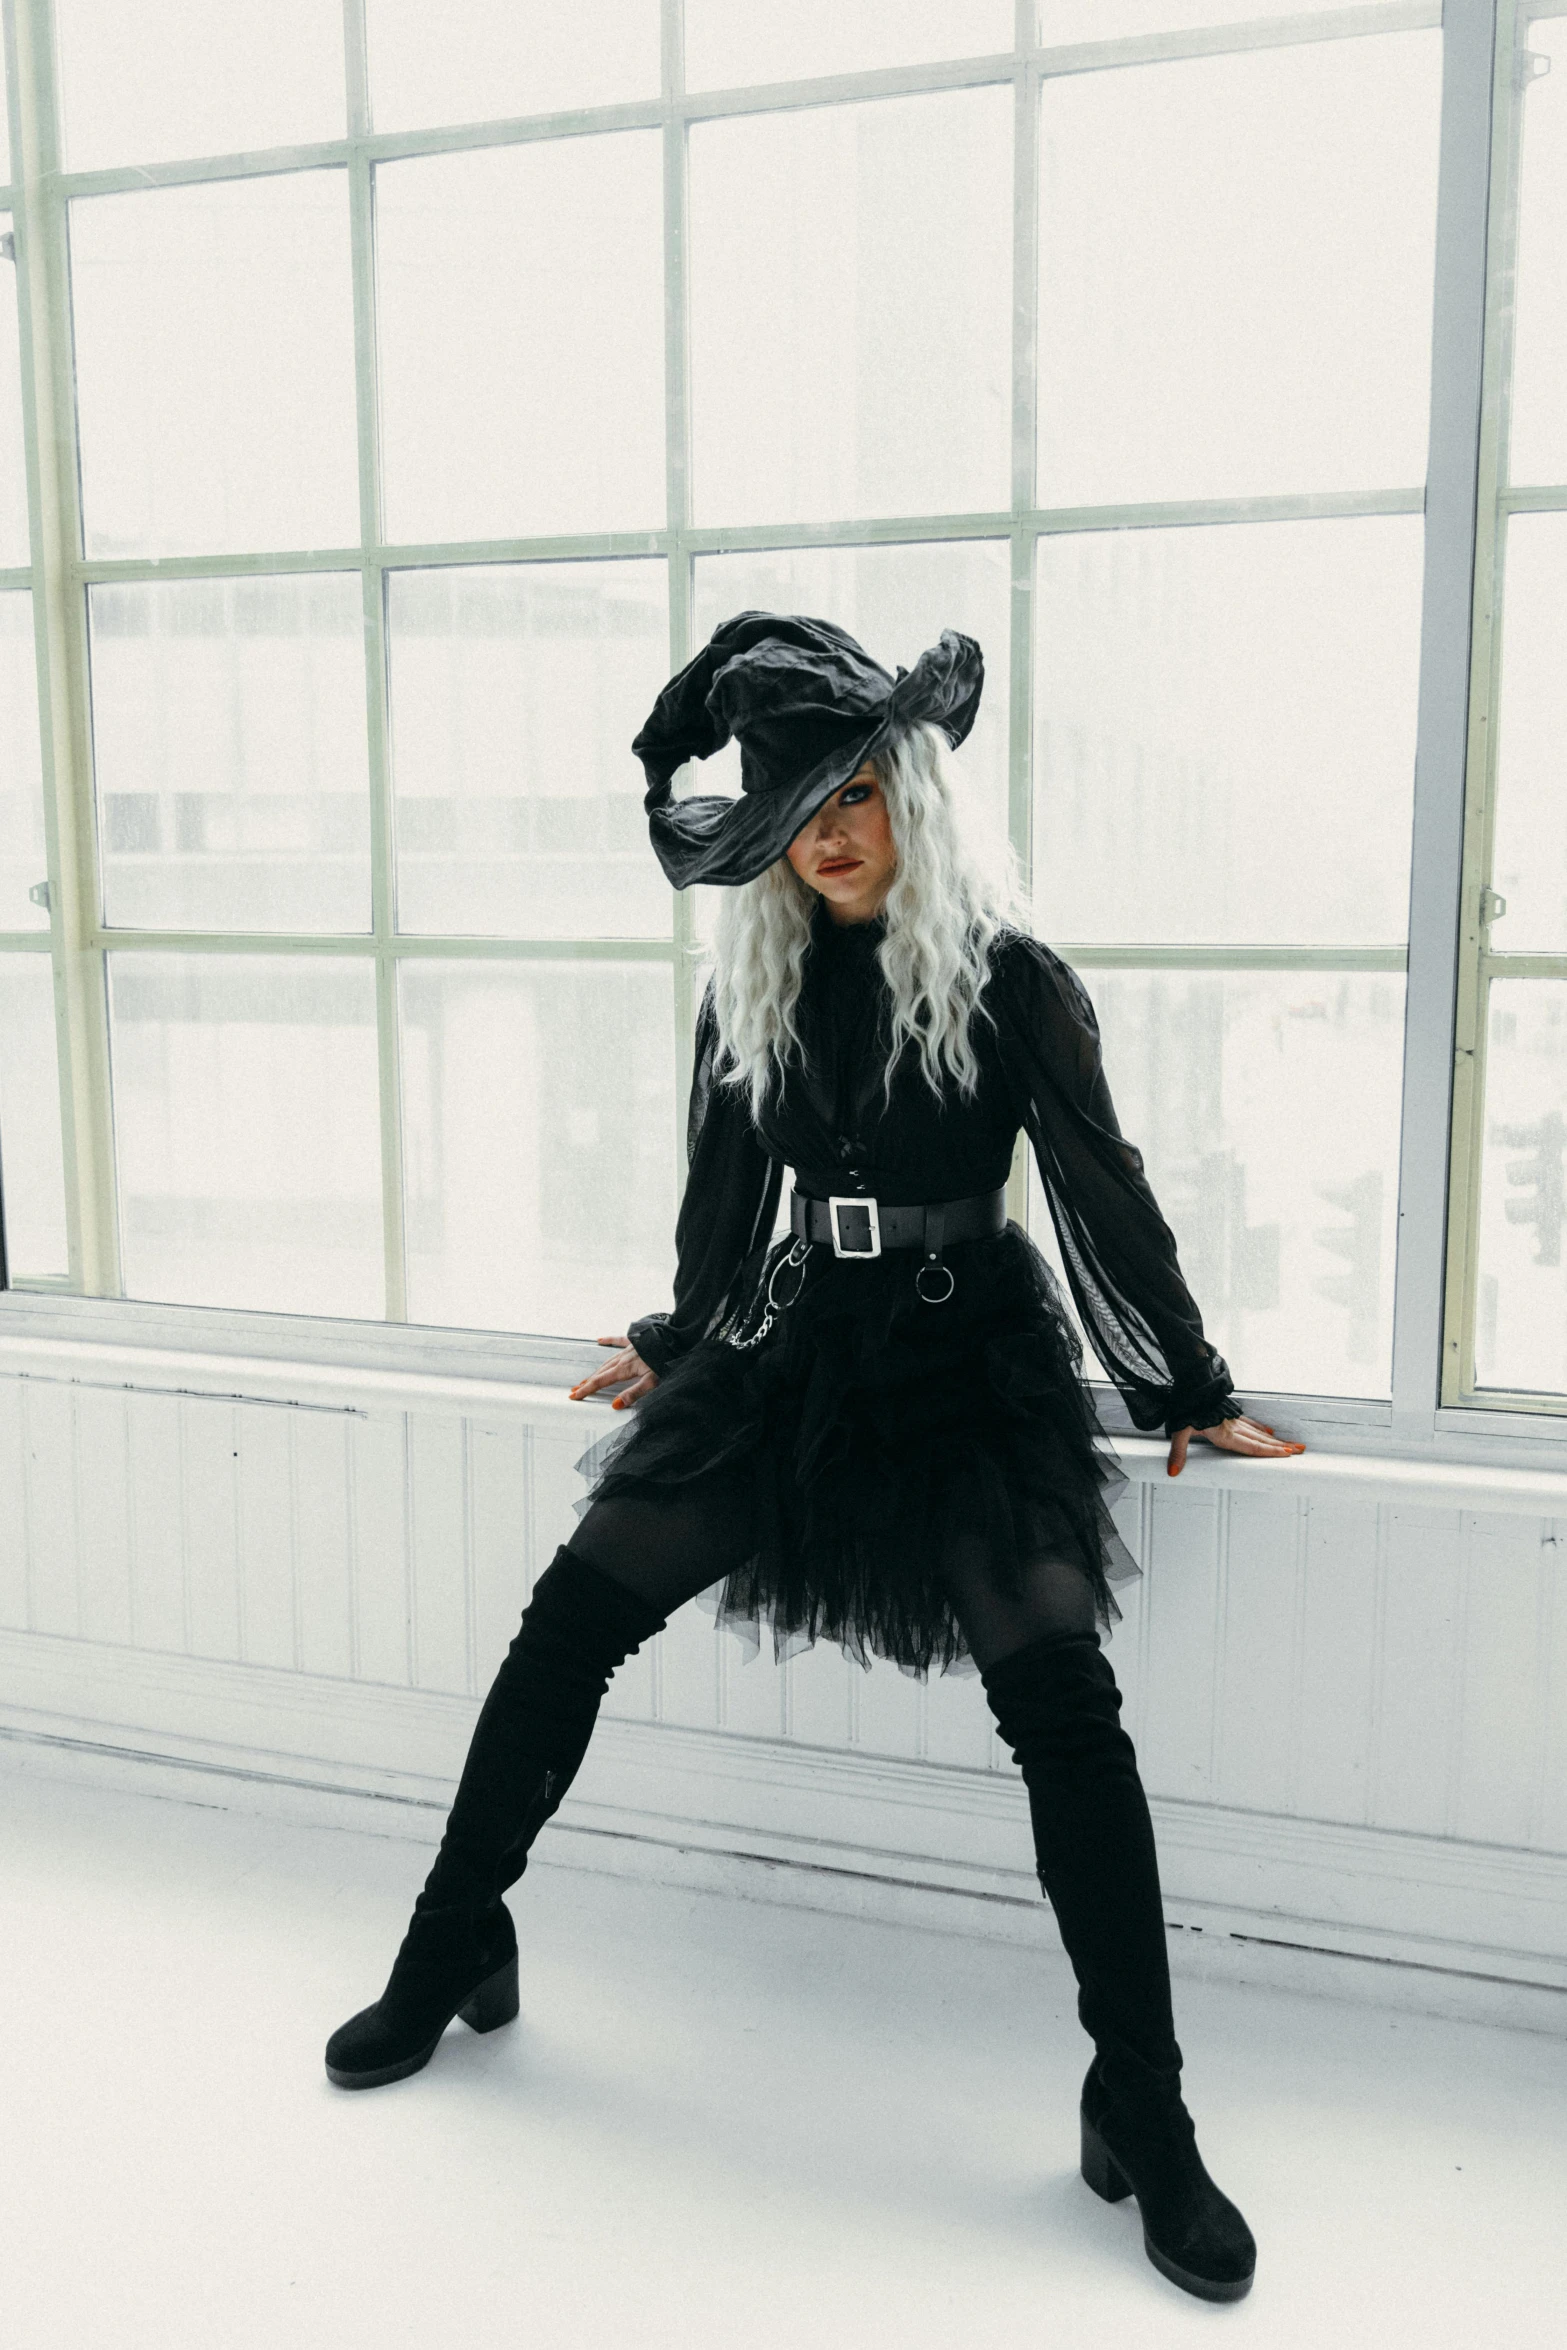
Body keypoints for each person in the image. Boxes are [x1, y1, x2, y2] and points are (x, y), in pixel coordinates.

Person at [324, 612, 1304, 2305]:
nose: (832, 833)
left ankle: (1137, 2101)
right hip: (787, 1346)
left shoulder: (1006, 976)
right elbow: (725, 1192)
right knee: (571, 1618)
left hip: (965, 1358)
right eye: (798, 809)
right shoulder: (756, 980)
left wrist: (1179, 1377)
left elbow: (1095, 1181)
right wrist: (678, 1326)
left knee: (1063, 1709)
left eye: (856, 792)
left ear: (911, 793)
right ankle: (450, 1939)